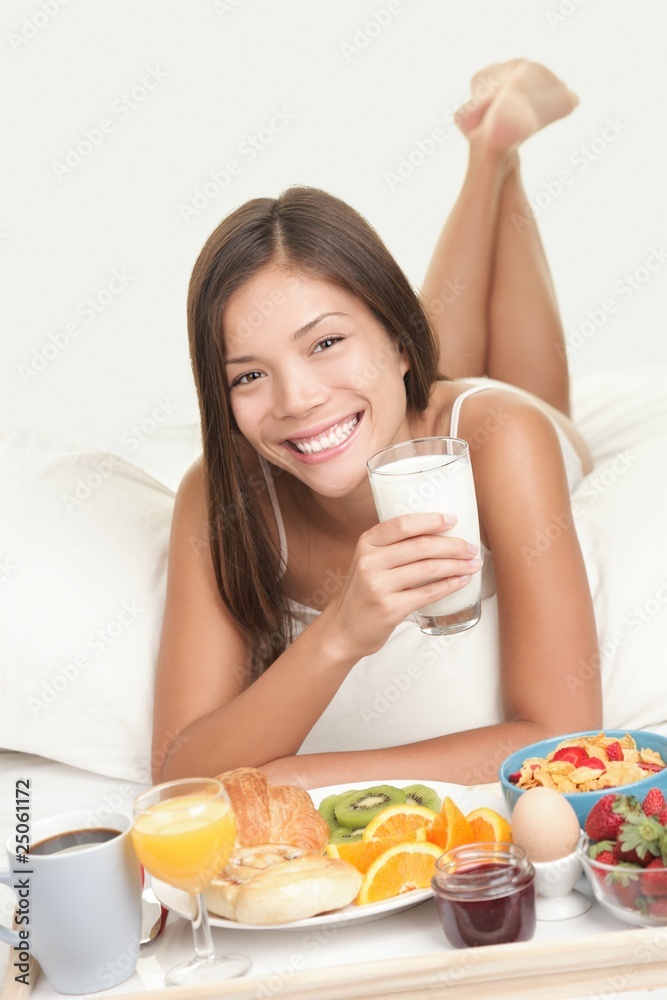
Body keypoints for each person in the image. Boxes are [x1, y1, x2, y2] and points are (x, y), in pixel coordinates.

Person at [152, 60, 601, 788]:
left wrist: (300, 777)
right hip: (389, 391)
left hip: (490, 420)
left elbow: (563, 737)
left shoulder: (503, 441)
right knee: (369, 389)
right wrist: (340, 632)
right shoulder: (219, 496)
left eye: (322, 341)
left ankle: (496, 160)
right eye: (248, 375)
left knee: (497, 384)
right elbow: (179, 773)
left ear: (396, 340)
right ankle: (491, 152)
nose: (294, 399)